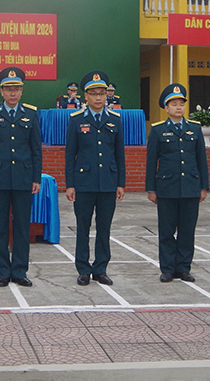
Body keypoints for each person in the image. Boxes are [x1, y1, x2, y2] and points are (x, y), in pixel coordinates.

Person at [0, 66, 42, 287]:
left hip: (24, 178)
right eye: (8, 89)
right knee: (0, 227)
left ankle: (20, 271)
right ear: (2, 91)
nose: (13, 93)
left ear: (21, 91)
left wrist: (36, 178)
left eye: (16, 89)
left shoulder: (31, 114)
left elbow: (36, 150)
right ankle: (3, 271)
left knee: (23, 226)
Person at [65, 70, 125, 286]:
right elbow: (70, 154)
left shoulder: (115, 120)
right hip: (84, 183)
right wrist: (70, 184)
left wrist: (121, 183)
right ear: (86, 97)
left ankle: (101, 268)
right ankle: (83, 268)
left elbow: (119, 154)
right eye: (94, 94)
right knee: (83, 227)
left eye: (102, 93)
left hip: (108, 183)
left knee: (104, 227)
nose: (99, 97)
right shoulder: (76, 120)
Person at [146, 83, 208, 283]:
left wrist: (203, 186)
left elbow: (201, 160)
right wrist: (151, 188)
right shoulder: (157, 130)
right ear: (166, 107)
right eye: (174, 104)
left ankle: (183, 268)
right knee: (166, 231)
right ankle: (167, 268)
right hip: (167, 188)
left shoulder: (195, 129)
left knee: (187, 231)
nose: (178, 107)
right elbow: (151, 161)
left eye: (181, 103)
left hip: (190, 186)